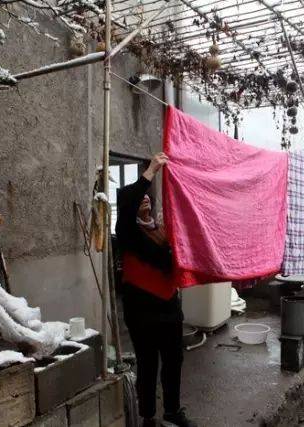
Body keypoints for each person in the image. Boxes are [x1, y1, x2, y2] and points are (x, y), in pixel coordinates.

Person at [115, 152, 196, 427]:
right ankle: (148, 417)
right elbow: (128, 206)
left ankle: (172, 411)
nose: (145, 198)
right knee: (148, 364)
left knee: (174, 361)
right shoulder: (128, 233)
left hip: (169, 307)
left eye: (147, 196)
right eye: (139, 196)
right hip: (142, 312)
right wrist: (149, 172)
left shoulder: (162, 230)